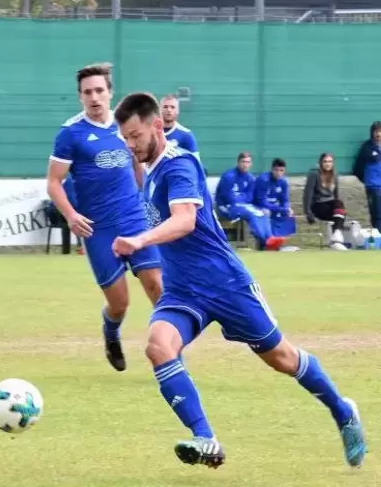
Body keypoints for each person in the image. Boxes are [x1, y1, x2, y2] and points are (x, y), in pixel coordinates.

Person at [111, 92, 365, 469]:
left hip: (226, 284)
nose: (131, 145)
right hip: (183, 290)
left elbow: (185, 221)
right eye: (125, 139)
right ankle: (205, 438)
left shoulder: (180, 165)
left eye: (135, 136)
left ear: (157, 126)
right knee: (158, 346)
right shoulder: (150, 171)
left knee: (281, 358)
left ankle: (342, 409)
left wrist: (139, 239)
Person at [46, 63, 163, 373]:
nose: (94, 97)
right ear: (80, 97)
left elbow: (138, 163)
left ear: (110, 93)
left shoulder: (125, 126)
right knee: (119, 303)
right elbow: (54, 182)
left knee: (157, 286)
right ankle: (111, 332)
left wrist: (147, 199)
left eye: (100, 90)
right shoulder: (71, 133)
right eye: (88, 92)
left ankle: (170, 352)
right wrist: (71, 215)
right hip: (98, 230)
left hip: (135, 219)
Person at [215, 152, 285, 251]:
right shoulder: (228, 176)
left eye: (248, 162)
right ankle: (267, 242)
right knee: (251, 213)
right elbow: (229, 198)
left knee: (262, 212)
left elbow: (249, 197)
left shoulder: (250, 178)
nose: (245, 165)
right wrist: (242, 198)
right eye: (243, 162)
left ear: (251, 164)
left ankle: (269, 239)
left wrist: (240, 198)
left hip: (243, 206)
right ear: (238, 162)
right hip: (226, 208)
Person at [303, 152, 347, 251]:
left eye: (330, 161)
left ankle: (336, 236)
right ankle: (336, 239)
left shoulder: (335, 174)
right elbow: (307, 194)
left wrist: (339, 208)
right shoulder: (314, 174)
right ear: (320, 163)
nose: (328, 164)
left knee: (340, 206)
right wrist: (308, 212)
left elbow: (336, 194)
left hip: (330, 203)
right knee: (340, 215)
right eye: (325, 161)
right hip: (317, 205)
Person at [253, 158, 296, 242]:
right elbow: (262, 202)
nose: (278, 173)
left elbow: (285, 200)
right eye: (276, 170)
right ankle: (265, 241)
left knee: (288, 213)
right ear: (272, 169)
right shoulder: (263, 180)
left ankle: (280, 240)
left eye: (281, 170)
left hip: (273, 206)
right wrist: (279, 208)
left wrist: (287, 208)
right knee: (266, 212)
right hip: (258, 206)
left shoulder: (284, 182)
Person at [352, 121, 381, 233]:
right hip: (374, 186)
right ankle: (378, 237)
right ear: (372, 133)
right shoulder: (367, 148)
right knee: (377, 214)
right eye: (376, 131)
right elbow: (357, 168)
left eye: (380, 132)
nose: (379, 134)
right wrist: (367, 180)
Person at [160, 94, 200, 161]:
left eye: (172, 107)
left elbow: (196, 162)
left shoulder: (186, 135)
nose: (169, 110)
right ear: (159, 110)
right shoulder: (151, 133)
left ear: (178, 111)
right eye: (165, 107)